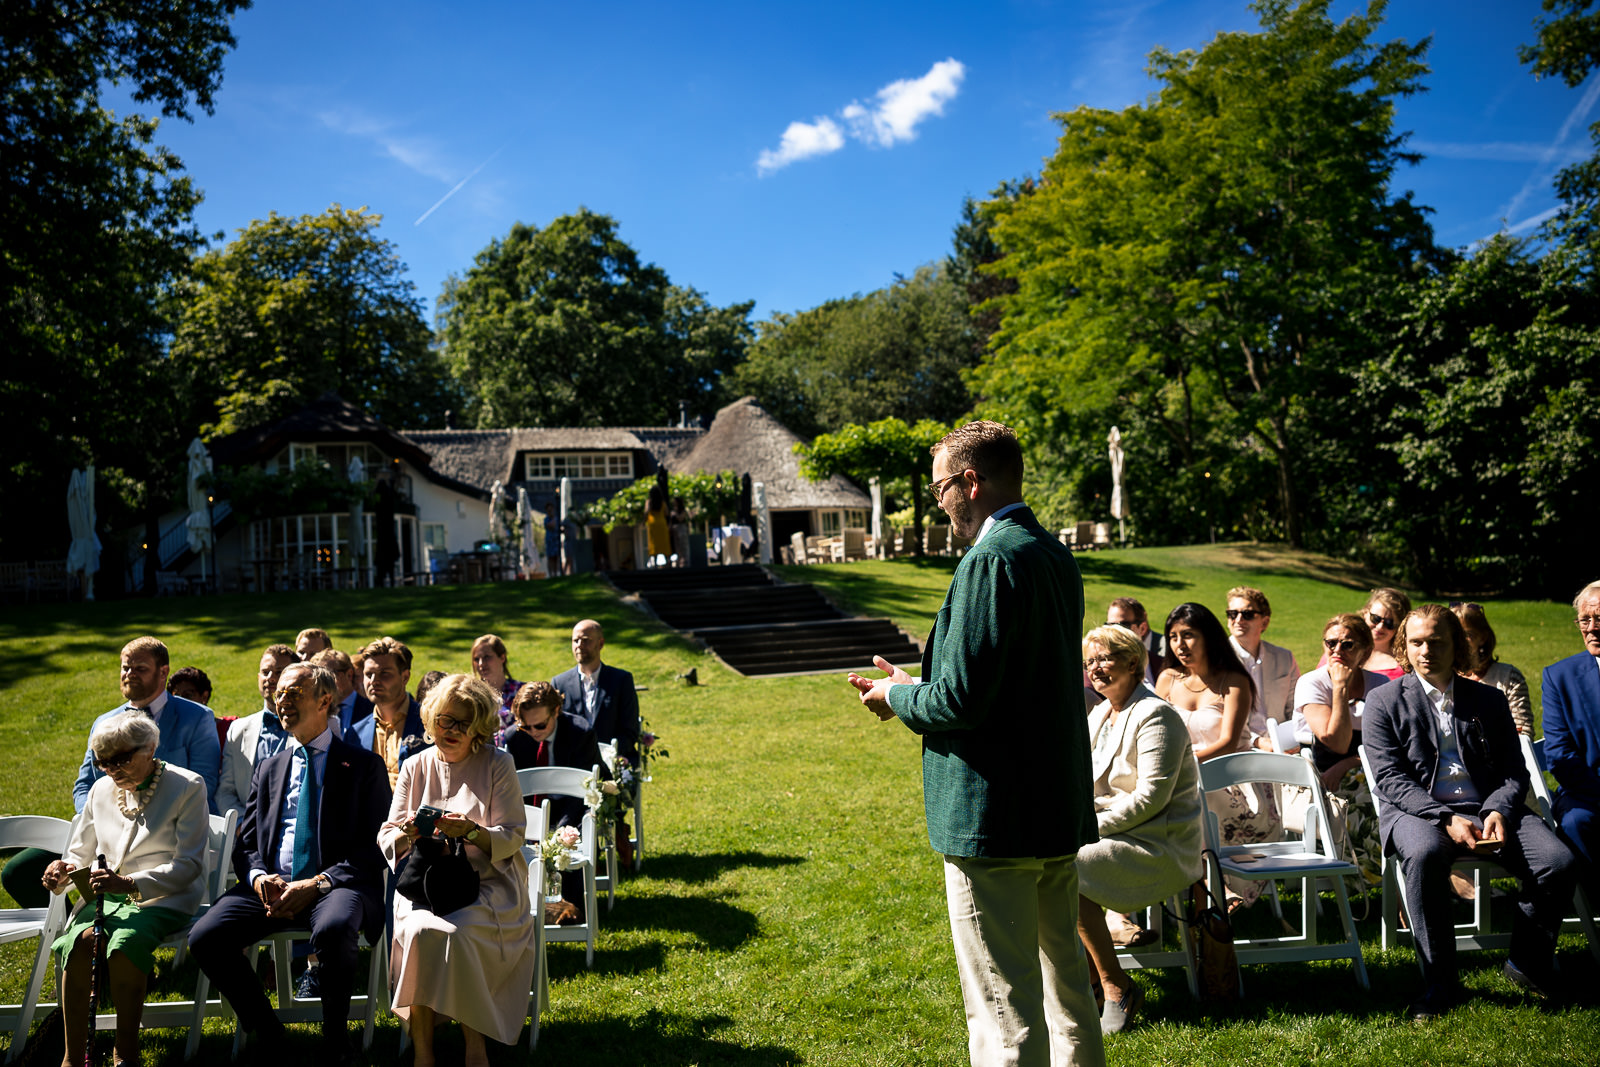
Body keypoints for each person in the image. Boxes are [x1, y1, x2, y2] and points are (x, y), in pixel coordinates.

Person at [849, 420, 1104, 1067]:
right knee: (1067, 995)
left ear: (972, 480)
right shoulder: (1052, 554)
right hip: (1050, 809)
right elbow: (1004, 682)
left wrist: (897, 697)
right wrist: (919, 682)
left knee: (1005, 1015)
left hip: (995, 818)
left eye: (940, 490)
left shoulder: (991, 561)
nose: (939, 505)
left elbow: (960, 701)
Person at [1364, 604, 1579, 1020]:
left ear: (1457, 644)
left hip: (1489, 809)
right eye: (1417, 642)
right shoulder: (1383, 701)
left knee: (1558, 861)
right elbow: (1389, 778)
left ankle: (1526, 964)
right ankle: (1440, 984)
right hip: (1418, 813)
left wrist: (1498, 809)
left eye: (1437, 641)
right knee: (1425, 855)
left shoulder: (1488, 699)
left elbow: (1514, 771)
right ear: (1405, 647)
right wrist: (1444, 818)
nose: (1426, 650)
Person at [188, 662, 391, 1061]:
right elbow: (245, 843)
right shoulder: (270, 768)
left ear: (325, 701)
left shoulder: (362, 766)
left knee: (333, 929)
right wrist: (260, 877)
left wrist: (318, 883)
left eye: (294, 694)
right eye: (279, 693)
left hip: (337, 885)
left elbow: (374, 845)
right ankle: (269, 1032)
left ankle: (335, 1038)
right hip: (273, 887)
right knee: (205, 936)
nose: (282, 702)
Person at [380, 675, 537, 1066]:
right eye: (444, 720)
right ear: (431, 718)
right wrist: (407, 833)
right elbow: (386, 834)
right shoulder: (415, 765)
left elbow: (513, 834)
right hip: (424, 887)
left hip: (488, 885)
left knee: (461, 934)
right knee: (417, 931)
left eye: (463, 724)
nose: (451, 731)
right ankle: (424, 1054)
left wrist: (470, 830)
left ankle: (475, 1050)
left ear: (480, 726)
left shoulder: (498, 763)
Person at [44, 710, 210, 1067]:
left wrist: (131, 882)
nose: (112, 770)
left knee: (123, 945)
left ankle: (126, 1053)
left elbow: (190, 864)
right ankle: (72, 1057)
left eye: (121, 760)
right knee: (78, 942)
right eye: (103, 762)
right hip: (105, 895)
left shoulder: (187, 785)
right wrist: (63, 870)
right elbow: (79, 851)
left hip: (166, 895)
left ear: (150, 748)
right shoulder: (102, 790)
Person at [1075, 625, 1204, 1035]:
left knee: (1066, 864)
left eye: (1104, 659)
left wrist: (1084, 829)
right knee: (1044, 861)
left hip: (1160, 843)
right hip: (1115, 835)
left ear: (1133, 662)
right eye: (1089, 662)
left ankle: (1115, 987)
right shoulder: (1099, 713)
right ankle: (1088, 983)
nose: (1095, 669)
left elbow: (1151, 798)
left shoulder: (1156, 714)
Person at [1155, 602, 1281, 908]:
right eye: (1172, 637)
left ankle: (1210, 889)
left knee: (1193, 797)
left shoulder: (1233, 682)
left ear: (1209, 636)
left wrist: (1184, 765)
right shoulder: (1168, 679)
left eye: (1188, 635)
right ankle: (1206, 891)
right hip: (1179, 779)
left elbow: (1226, 743)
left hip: (1232, 784)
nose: (1179, 645)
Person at [1292, 613, 1393, 884]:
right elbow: (1334, 742)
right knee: (1374, 799)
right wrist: (1339, 688)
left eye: (1347, 644)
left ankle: (1403, 881)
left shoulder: (1380, 685)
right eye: (1331, 643)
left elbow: (1390, 743)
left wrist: (1350, 763)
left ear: (1365, 651)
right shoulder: (1313, 683)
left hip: (1366, 768)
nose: (1337, 650)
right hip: (1322, 772)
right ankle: (1380, 885)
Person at [74, 636, 221, 815]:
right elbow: (85, 785)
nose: (130, 674)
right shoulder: (103, 723)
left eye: (140, 669)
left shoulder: (196, 717)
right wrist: (95, 820)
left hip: (178, 824)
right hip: (112, 827)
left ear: (163, 672)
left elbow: (205, 784)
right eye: (125, 668)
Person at [1542, 579, 1600, 867]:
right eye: (1584, 620)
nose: (1591, 628)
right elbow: (1559, 755)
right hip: (1587, 794)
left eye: (1599, 619)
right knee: (1576, 823)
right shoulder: (1559, 677)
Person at [218, 644, 297, 819]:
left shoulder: (307, 728)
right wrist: (240, 825)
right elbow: (226, 791)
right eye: (265, 672)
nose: (270, 678)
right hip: (245, 832)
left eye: (279, 672)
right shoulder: (238, 729)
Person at [553, 620, 639, 763]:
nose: (579, 645)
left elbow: (629, 730)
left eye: (586, 640)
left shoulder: (621, 680)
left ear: (601, 644)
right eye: (575, 640)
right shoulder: (559, 683)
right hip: (572, 763)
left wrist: (611, 756)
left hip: (615, 760)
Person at [348, 636, 429, 789]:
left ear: (405, 677)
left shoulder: (428, 723)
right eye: (368, 674)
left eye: (384, 673)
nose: (374, 680)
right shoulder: (355, 733)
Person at [1225, 586, 1299, 750]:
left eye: (1247, 614)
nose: (1238, 620)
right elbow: (1218, 717)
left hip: (1283, 745)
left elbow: (1295, 709)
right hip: (1240, 747)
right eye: (1232, 614)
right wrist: (1258, 742)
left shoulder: (1284, 658)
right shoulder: (1218, 660)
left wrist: (1292, 741)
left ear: (1264, 622)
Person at [1451, 602, 1533, 736]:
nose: (1459, 641)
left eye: (1466, 634)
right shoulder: (1442, 678)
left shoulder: (1509, 678)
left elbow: (1523, 733)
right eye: (1454, 635)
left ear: (1483, 637)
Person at [470, 633, 523, 740]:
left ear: (502, 657)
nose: (480, 663)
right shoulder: (471, 696)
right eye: (476, 659)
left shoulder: (521, 692)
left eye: (487, 657)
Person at [309, 647, 373, 735]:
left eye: (328, 675)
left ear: (349, 675)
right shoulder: (312, 711)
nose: (322, 683)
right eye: (317, 678)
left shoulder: (371, 709)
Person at [1107, 597, 1165, 686]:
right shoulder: (1099, 664)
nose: (1115, 631)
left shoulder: (1161, 663)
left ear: (1142, 628)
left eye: (1123, 626)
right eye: (1110, 626)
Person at [644, 483, 671, 567]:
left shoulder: (649, 502)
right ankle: (667, 562)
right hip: (662, 524)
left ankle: (655, 563)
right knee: (664, 543)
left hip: (653, 524)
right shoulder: (662, 502)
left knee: (654, 544)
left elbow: (646, 512)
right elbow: (667, 513)